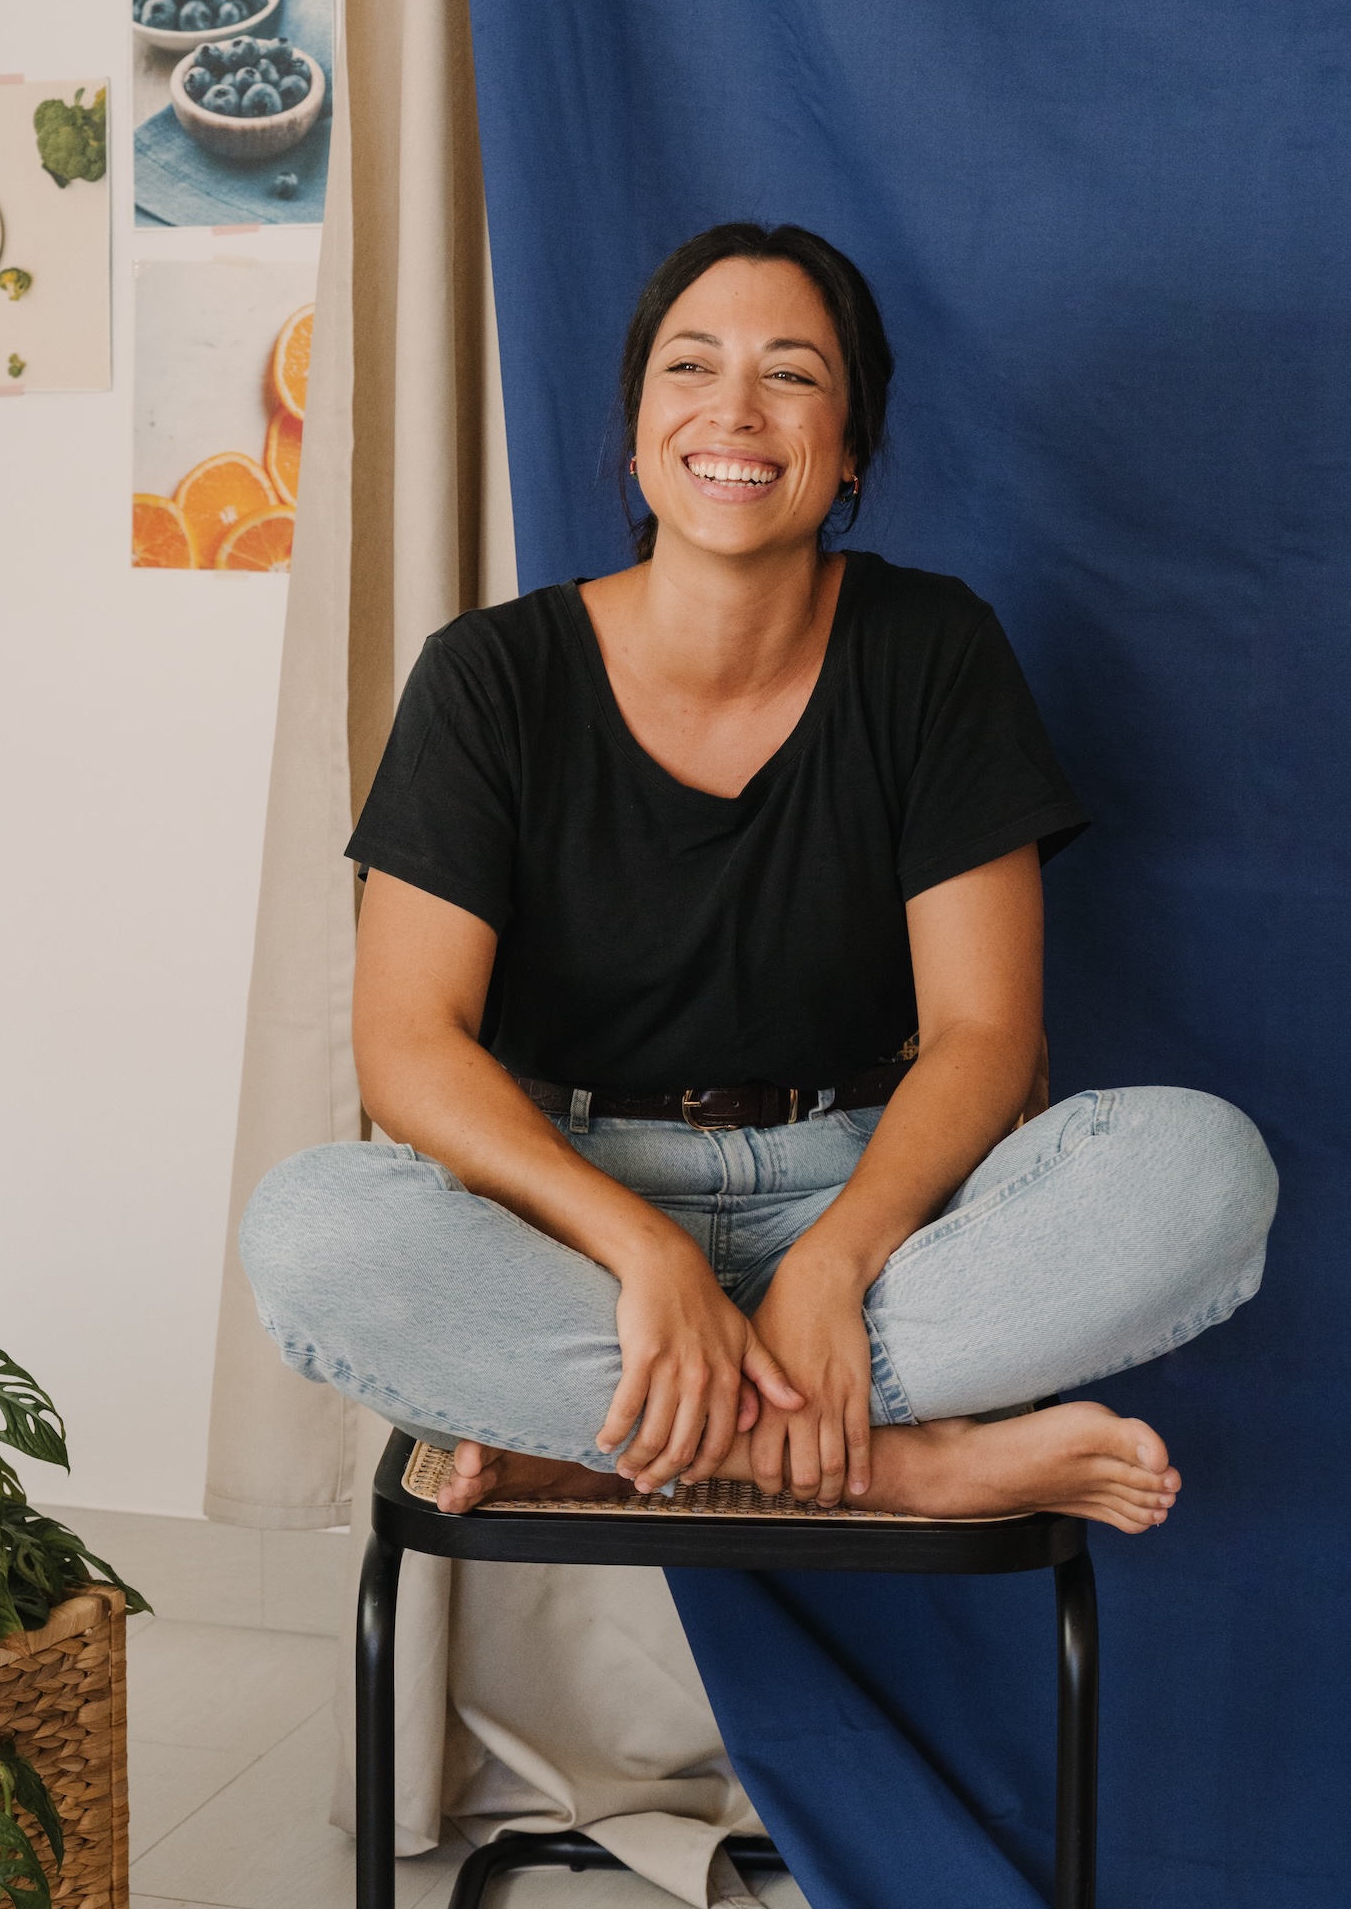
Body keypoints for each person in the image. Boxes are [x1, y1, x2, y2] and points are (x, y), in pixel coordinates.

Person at [240, 221, 1276, 1535]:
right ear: (637, 432)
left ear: (849, 452)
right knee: (310, 1231)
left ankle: (612, 1445)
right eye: (691, 366)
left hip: (874, 1194)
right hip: (568, 1212)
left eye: (791, 373)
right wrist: (645, 1249)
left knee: (1206, 1171)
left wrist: (835, 1263)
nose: (734, 408)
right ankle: (899, 1466)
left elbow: (984, 1033)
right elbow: (407, 1045)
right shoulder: (490, 675)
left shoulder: (934, 649)